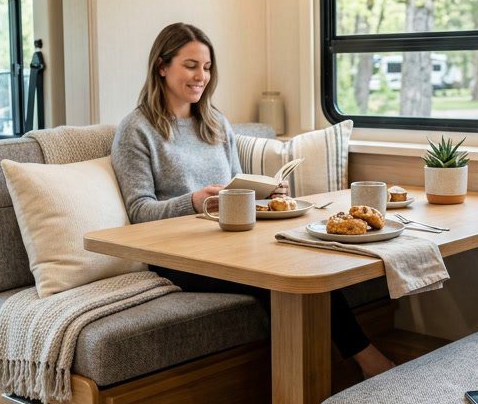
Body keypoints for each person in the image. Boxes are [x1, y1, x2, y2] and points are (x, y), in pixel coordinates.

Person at [112, 22, 394, 378]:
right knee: (282, 280)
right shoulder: (136, 130)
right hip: (179, 256)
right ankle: (366, 365)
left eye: (207, 67)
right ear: (162, 66)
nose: (201, 76)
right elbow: (138, 212)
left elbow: (235, 189)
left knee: (309, 264)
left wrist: (264, 194)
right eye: (191, 65)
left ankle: (332, 376)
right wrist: (193, 202)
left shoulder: (215, 123)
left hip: (231, 242)